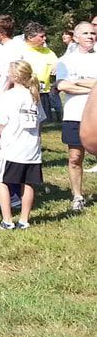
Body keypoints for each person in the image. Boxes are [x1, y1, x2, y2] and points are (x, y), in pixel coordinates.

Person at [0, 60, 45, 230]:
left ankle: (7, 220)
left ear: (14, 76)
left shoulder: (9, 96)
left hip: (12, 146)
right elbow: (40, 122)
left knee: (2, 181)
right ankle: (24, 220)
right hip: (32, 148)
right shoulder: (34, 96)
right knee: (28, 183)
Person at [55, 21, 96, 212]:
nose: (90, 36)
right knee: (75, 157)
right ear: (76, 37)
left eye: (93, 33)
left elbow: (71, 85)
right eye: (86, 33)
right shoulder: (67, 60)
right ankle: (77, 196)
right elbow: (63, 86)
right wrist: (93, 85)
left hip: (94, 114)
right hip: (74, 114)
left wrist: (78, 81)